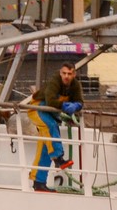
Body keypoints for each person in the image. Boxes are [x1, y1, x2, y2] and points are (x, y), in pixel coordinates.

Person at [28, 62, 83, 191]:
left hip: (50, 113)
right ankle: (58, 158)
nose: (66, 76)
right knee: (50, 126)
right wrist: (65, 106)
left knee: (45, 148)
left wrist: (76, 106)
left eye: (69, 74)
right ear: (60, 73)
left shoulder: (75, 85)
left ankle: (39, 182)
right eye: (64, 73)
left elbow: (80, 101)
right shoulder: (54, 81)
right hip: (37, 108)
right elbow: (51, 100)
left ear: (74, 74)